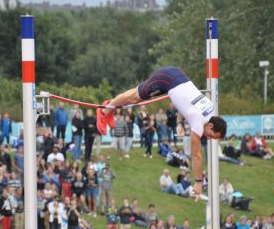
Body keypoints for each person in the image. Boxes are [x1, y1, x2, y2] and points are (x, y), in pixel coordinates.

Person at [97, 67, 227, 198]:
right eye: (210, 135)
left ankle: (110, 107)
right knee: (135, 98)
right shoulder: (199, 124)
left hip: (175, 77)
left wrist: (180, 123)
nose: (208, 138)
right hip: (166, 80)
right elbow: (197, 155)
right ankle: (104, 110)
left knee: (135, 96)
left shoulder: (210, 109)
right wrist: (198, 182)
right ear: (210, 125)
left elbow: (188, 103)